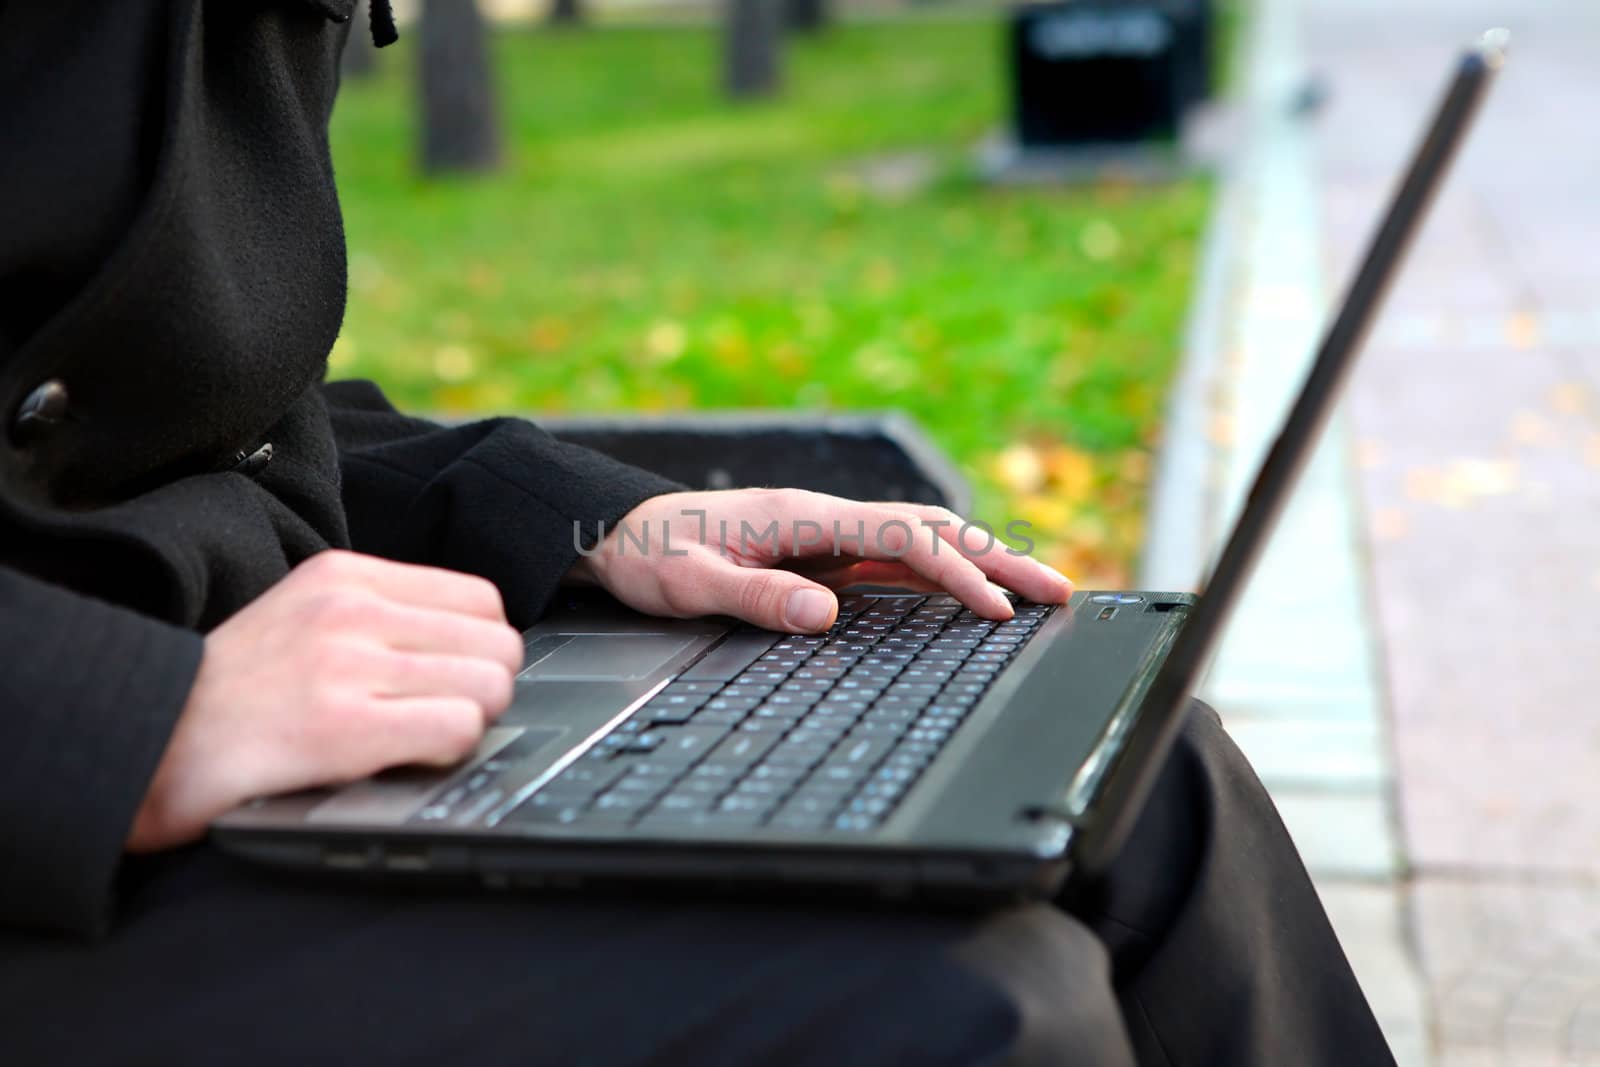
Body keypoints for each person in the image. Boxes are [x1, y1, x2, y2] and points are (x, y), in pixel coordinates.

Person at [0, 3, 1395, 1064]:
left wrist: (593, 514)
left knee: (1142, 779)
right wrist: (126, 727)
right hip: (64, 831)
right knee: (983, 1005)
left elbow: (170, 423)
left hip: (249, 723)